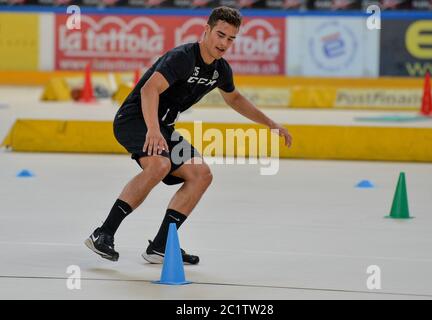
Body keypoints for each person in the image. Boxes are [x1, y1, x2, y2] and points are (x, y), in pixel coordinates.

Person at [85, 6, 292, 264]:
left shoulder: (220, 70)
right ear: (206, 31)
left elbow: (235, 98)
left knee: (201, 174)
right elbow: (150, 90)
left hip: (162, 128)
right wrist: (152, 129)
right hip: (135, 119)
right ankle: (103, 234)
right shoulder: (182, 57)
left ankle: (160, 246)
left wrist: (270, 123)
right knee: (160, 164)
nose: (224, 43)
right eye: (220, 34)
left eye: (231, 38)